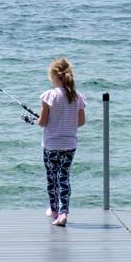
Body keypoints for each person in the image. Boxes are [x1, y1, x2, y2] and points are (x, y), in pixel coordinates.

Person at [37, 58, 85, 227]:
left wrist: (37, 121)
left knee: (52, 177)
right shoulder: (77, 96)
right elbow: (80, 122)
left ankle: (54, 210)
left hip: (51, 144)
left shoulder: (49, 96)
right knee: (64, 176)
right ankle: (64, 212)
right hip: (70, 144)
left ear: (53, 76)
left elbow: (43, 122)